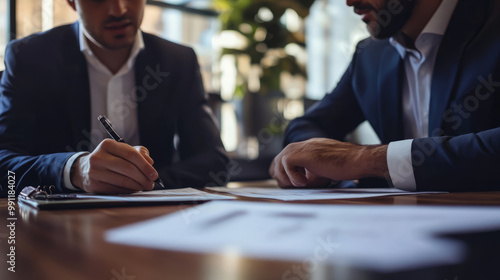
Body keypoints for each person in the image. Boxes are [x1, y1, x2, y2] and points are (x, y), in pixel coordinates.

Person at [0, 0, 228, 196]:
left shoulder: (178, 61)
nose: (118, 10)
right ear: (71, 2)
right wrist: (73, 170)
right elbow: (4, 161)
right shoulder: (29, 58)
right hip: (55, 229)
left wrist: (142, 183)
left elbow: (213, 161)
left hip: (155, 222)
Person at [270, 0, 500, 192]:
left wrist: (365, 160)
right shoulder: (370, 55)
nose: (349, 2)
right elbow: (308, 124)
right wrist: (316, 162)